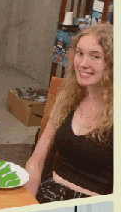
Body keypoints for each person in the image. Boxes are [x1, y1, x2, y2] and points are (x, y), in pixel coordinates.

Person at [26, 23, 112, 202]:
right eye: (80, 53)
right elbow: (36, 161)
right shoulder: (69, 97)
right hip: (48, 195)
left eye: (95, 56)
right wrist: (25, 206)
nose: (83, 63)